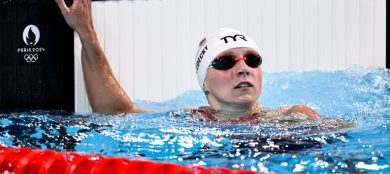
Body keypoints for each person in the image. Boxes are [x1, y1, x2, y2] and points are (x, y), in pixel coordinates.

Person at [55, 0, 321, 122]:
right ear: (204, 83)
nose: (243, 68)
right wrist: (85, 32)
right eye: (225, 62)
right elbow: (115, 111)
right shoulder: (193, 120)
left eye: (252, 60)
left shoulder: (295, 117)